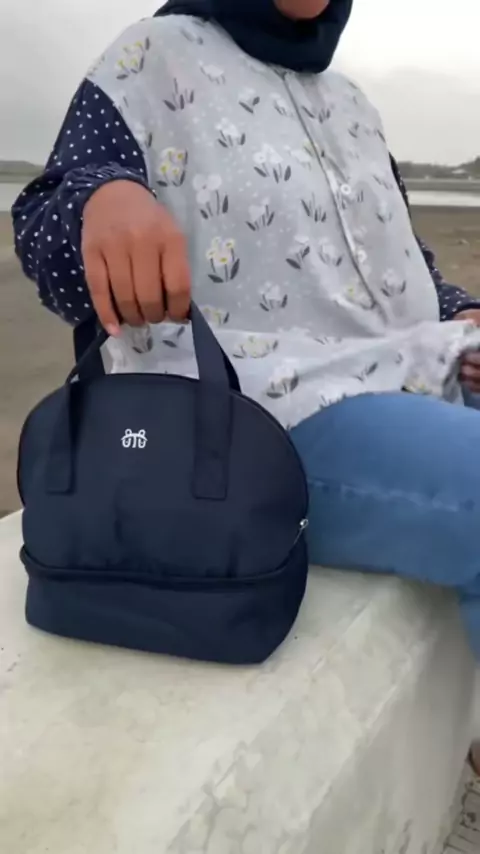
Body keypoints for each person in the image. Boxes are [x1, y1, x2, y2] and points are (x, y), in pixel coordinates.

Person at [11, 0, 480, 761]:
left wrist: (460, 311)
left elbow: (390, 261)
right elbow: (49, 230)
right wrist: (102, 199)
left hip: (407, 368)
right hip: (256, 412)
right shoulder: (151, 58)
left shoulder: (351, 104)